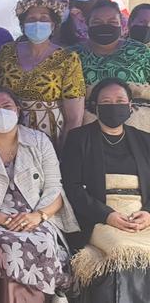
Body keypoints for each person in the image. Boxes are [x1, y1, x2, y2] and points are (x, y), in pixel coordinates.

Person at [0, 86, 78, 302]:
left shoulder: (39, 140)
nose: (1, 112)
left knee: (43, 242)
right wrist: (1, 219)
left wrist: (37, 216)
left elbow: (54, 188)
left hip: (36, 217)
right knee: (10, 245)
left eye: (7, 106)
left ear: (18, 110)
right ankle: (55, 294)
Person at [61, 78, 150, 302]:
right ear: (96, 107)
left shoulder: (144, 140)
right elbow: (71, 187)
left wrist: (148, 213)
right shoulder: (79, 138)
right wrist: (107, 215)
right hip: (100, 216)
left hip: (141, 216)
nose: (114, 105)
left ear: (130, 106)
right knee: (123, 249)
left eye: (120, 100)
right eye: (107, 101)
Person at [0, 0, 85, 148]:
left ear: (53, 26)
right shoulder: (6, 51)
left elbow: (75, 117)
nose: (37, 23)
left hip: (51, 138)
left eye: (44, 19)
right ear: (23, 25)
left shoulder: (68, 59)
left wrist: (66, 151)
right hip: (8, 133)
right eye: (31, 19)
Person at [69, 0, 150, 132]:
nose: (105, 26)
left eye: (112, 22)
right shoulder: (72, 55)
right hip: (88, 130)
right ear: (87, 24)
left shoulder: (140, 51)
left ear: (122, 25)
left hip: (140, 128)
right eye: (97, 22)